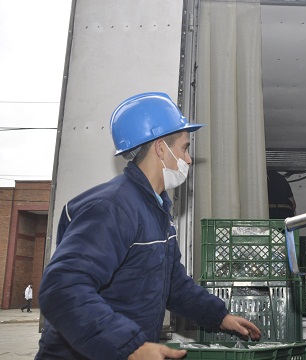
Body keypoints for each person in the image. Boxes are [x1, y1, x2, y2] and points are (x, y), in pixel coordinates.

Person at [36, 92, 261, 360]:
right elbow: (62, 288)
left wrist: (219, 315)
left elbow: (172, 282)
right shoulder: (112, 207)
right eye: (185, 148)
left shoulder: (156, 209)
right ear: (160, 148)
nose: (188, 160)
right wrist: (129, 346)